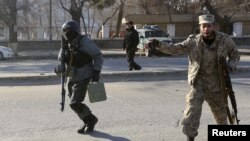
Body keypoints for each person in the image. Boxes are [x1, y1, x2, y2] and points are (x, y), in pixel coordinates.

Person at [151, 14, 240, 141]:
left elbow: (235, 54)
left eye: (209, 26)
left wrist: (231, 65)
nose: (206, 29)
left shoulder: (224, 40)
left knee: (222, 118)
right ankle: (190, 138)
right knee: (191, 115)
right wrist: (158, 44)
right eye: (204, 26)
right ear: (200, 26)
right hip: (198, 85)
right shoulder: (193, 41)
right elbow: (175, 49)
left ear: (213, 26)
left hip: (217, 85)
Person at [55, 20, 103, 134]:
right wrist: (59, 68)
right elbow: (61, 59)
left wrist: (96, 71)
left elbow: (98, 56)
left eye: (68, 30)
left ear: (75, 31)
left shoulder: (84, 42)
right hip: (72, 76)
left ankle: (91, 120)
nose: (66, 33)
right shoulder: (66, 43)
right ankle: (87, 120)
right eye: (64, 31)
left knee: (74, 103)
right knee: (74, 102)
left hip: (84, 75)